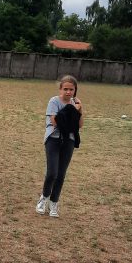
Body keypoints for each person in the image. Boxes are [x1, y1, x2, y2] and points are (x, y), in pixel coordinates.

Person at [36, 75, 84, 218]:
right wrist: (72, 110)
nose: (68, 92)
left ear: (75, 90)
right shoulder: (54, 101)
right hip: (53, 139)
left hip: (69, 141)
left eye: (71, 89)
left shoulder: (77, 103)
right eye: (65, 89)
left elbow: (79, 125)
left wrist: (79, 110)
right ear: (60, 89)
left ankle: (54, 202)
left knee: (61, 174)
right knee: (52, 173)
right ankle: (43, 198)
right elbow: (56, 122)